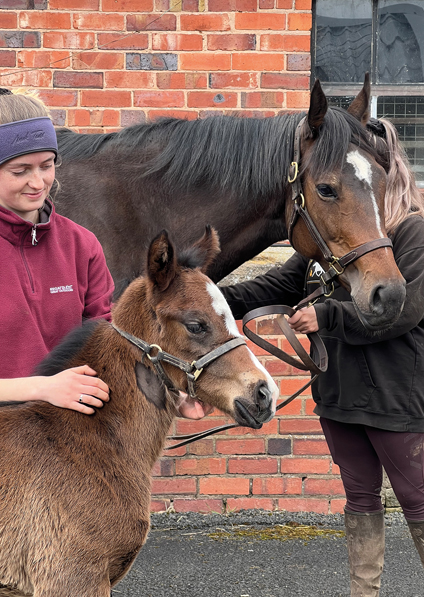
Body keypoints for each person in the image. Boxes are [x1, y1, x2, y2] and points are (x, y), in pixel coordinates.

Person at [220, 117, 424, 596]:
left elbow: (406, 313)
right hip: (338, 394)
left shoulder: (411, 232)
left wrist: (328, 318)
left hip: (396, 396)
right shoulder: (333, 237)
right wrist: (209, 299)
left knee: (417, 500)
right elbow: (276, 285)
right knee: (359, 499)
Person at [0, 87, 210, 421]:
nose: (38, 182)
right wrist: (42, 388)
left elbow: (106, 347)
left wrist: (167, 391)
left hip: (66, 441)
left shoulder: (80, 244)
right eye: (20, 170)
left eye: (47, 165)